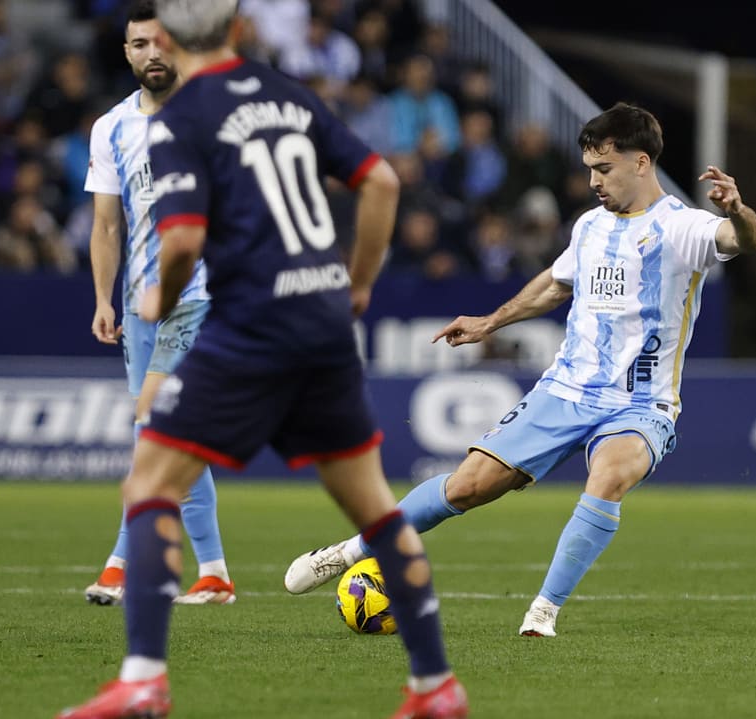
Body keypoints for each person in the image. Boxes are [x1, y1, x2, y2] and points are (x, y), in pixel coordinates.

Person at [58, 1, 468, 718]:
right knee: (372, 505)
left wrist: (160, 297)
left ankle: (145, 678)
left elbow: (180, 243)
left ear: (175, 42)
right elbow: (381, 182)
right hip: (323, 317)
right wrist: (361, 281)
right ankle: (436, 685)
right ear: (240, 32)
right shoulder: (286, 96)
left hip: (249, 322)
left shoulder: (181, 117)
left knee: (150, 474)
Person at [285, 102, 756, 638]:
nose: (593, 181)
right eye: (589, 169)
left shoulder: (682, 227)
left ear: (642, 162)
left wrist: (736, 211)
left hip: (640, 402)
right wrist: (491, 322)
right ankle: (349, 550)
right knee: (467, 487)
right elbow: (556, 284)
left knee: (608, 476)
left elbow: (741, 240)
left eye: (603, 169)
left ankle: (543, 612)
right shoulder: (588, 227)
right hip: (564, 389)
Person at [81, 0, 235, 607]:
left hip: (201, 295)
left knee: (154, 427)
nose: (151, 53)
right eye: (139, 44)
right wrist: (102, 298)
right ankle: (215, 575)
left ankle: (122, 563)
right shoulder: (111, 127)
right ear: (127, 52)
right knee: (175, 435)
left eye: (160, 42)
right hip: (141, 305)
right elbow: (106, 225)